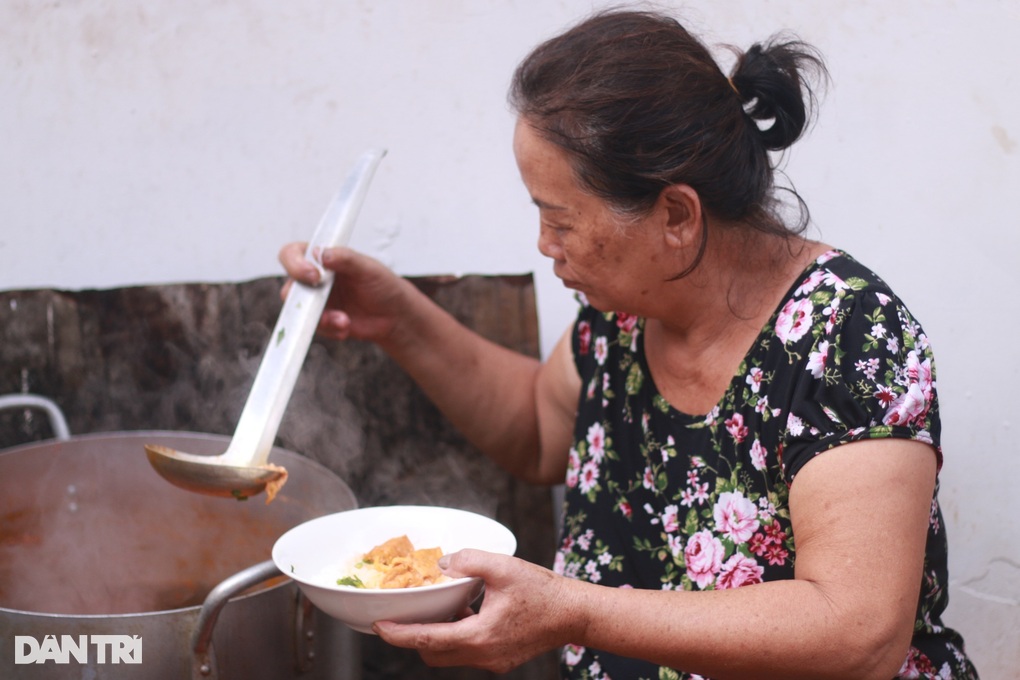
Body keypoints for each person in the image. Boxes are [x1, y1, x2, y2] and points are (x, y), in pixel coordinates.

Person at [280, 9, 978, 680]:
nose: (545, 247)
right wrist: (399, 318)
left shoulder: (848, 336)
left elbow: (857, 633)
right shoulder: (625, 315)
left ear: (675, 214)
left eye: (560, 220)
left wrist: (572, 611)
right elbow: (536, 429)